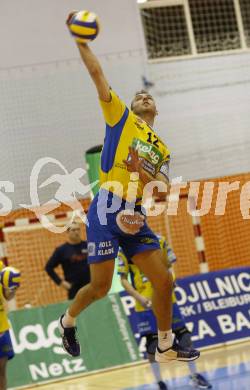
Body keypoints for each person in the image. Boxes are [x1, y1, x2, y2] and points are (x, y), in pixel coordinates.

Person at [58, 10, 200, 363]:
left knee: (164, 280)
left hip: (135, 214)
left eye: (148, 96)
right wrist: (81, 42)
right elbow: (96, 73)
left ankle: (166, 344)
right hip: (106, 208)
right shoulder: (120, 117)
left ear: (156, 109)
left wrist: (143, 170)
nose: (143, 96)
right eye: (139, 95)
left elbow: (164, 188)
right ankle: (68, 320)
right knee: (101, 287)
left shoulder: (162, 148)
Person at [118, 235, 212, 389]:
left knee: (184, 336)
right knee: (153, 345)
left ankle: (194, 376)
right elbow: (123, 279)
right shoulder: (124, 248)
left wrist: (171, 280)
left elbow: (169, 267)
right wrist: (139, 297)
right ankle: (159, 382)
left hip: (168, 299)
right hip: (145, 304)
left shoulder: (159, 241)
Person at [45, 222, 90, 299]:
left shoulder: (88, 245)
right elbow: (48, 267)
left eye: (78, 229)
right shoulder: (61, 250)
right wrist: (61, 282)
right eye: (73, 230)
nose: (76, 232)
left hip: (90, 286)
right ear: (68, 232)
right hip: (74, 289)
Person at [0, 261, 20, 390]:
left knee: (1, 371)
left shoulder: (0, 265)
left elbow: (7, 296)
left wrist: (12, 287)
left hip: (2, 326)